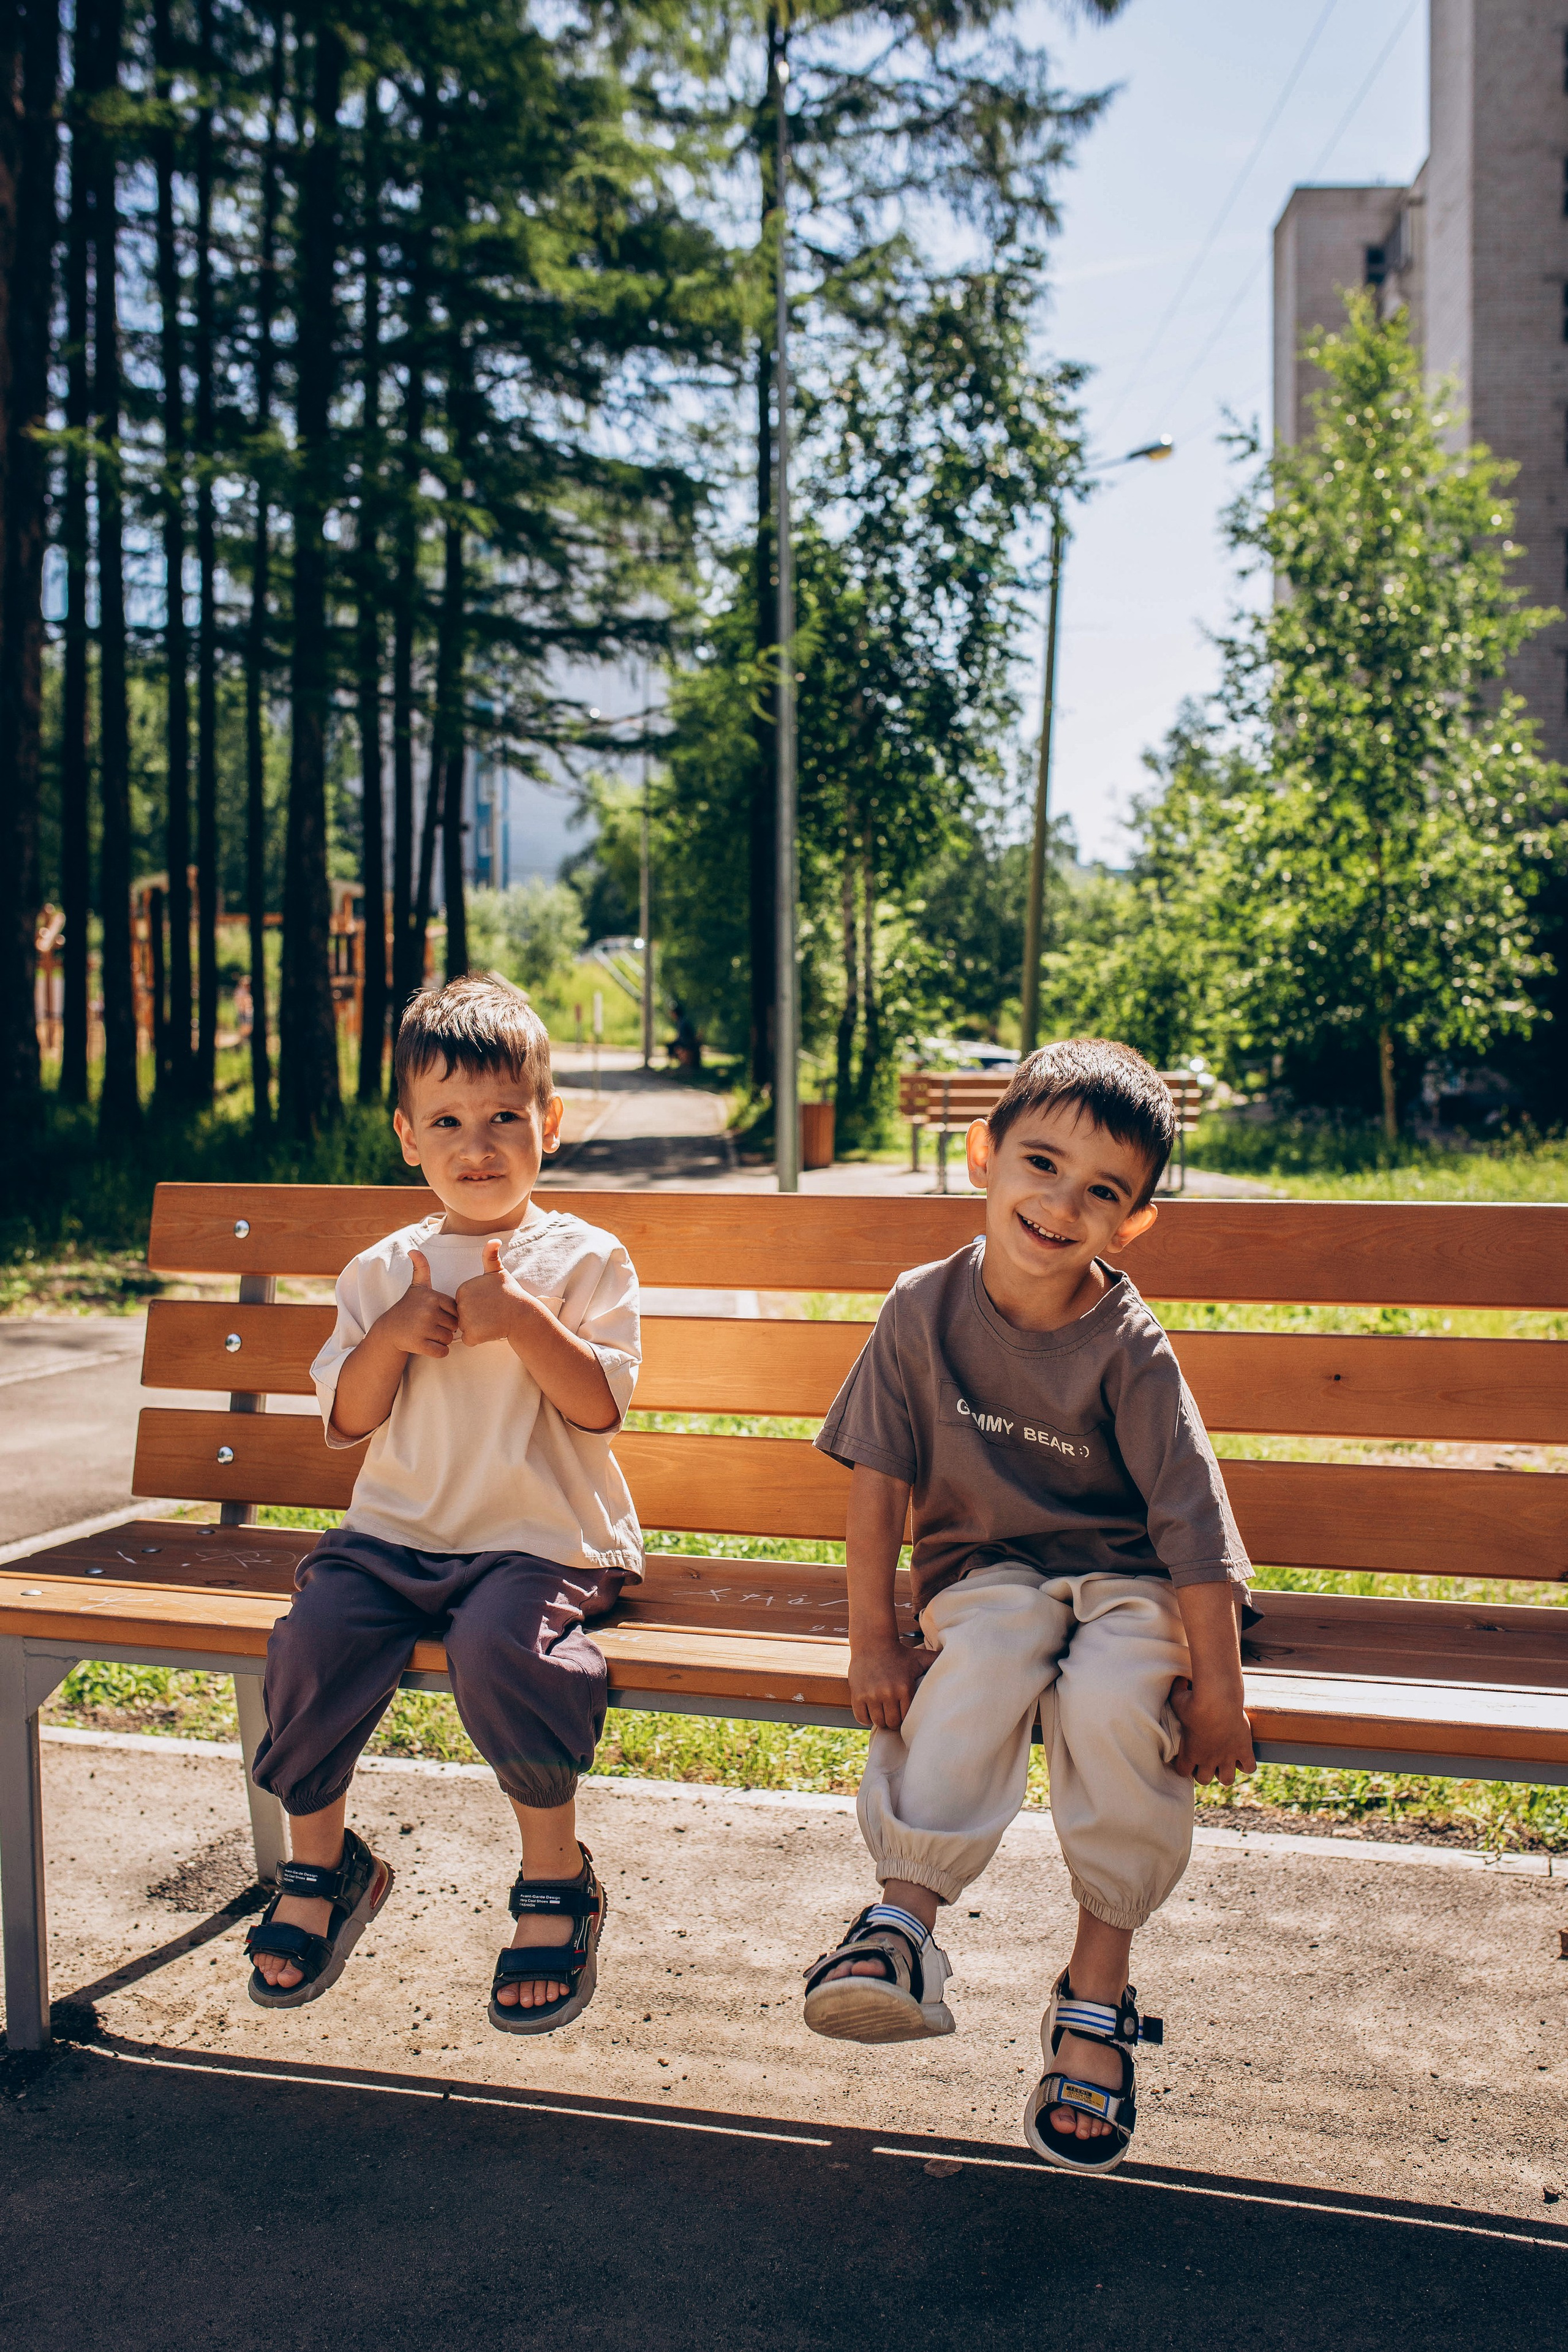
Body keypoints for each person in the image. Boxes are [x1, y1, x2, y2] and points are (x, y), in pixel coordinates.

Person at [801, 1038, 1254, 2174]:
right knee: (990, 1650)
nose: (1061, 1205)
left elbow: (1193, 1531)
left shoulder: (1130, 1347)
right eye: (1040, 1165)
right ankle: (901, 1927)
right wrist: (873, 1637)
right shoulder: (921, 1309)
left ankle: (1095, 1988)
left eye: (1101, 1192)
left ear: (1132, 1222)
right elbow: (879, 1485)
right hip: (987, 1573)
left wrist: (1221, 1692)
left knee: (1111, 1699)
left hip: (1129, 1584)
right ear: (982, 1156)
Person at [244, 974, 642, 2035]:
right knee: (311, 1639)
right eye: (450, 1121)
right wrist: (386, 1338)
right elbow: (349, 1418)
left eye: (507, 1117)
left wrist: (520, 1318)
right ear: (407, 1137)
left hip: (542, 1542)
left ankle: (557, 1878)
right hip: (397, 1539)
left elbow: (600, 1407)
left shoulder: (586, 1258)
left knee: (508, 1647)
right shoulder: (382, 1270)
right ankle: (324, 1867)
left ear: (549, 1125)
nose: (481, 1143)